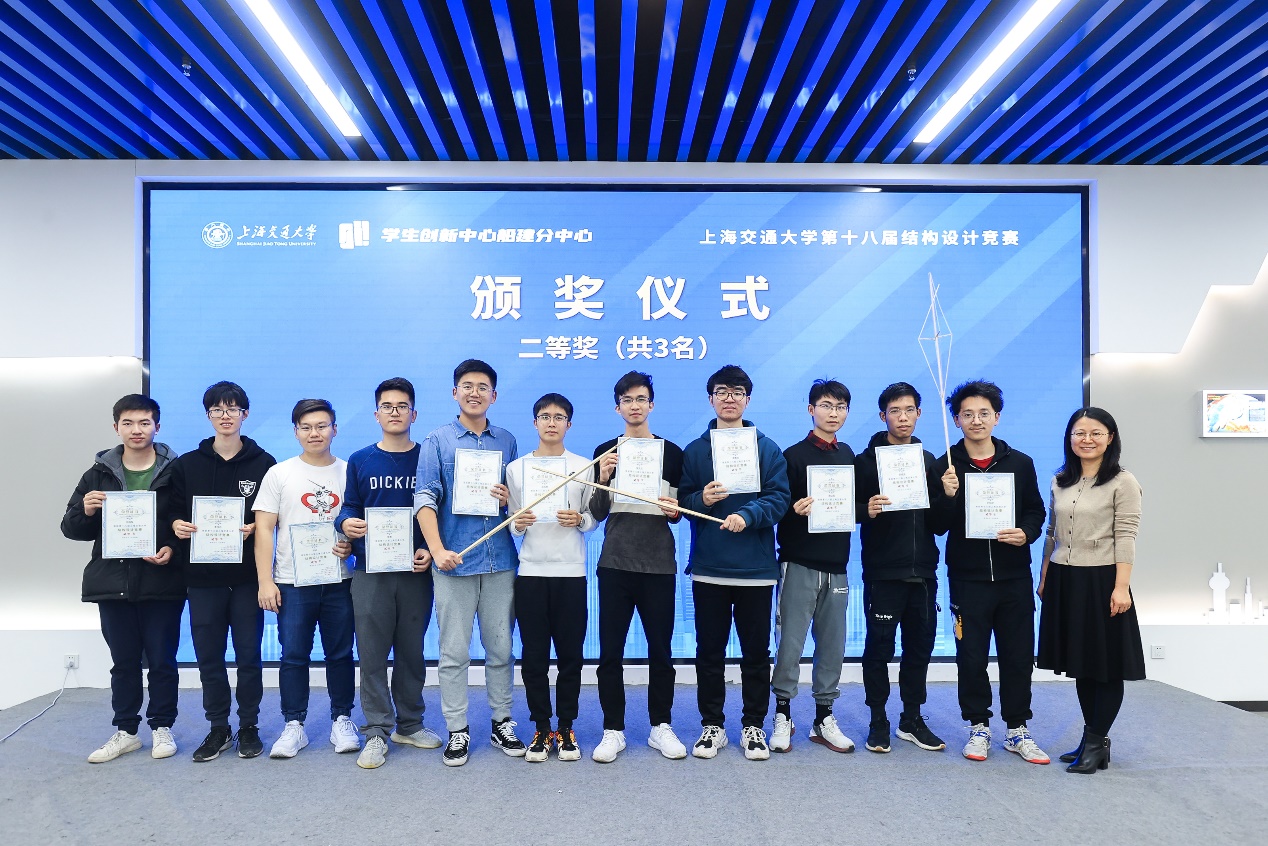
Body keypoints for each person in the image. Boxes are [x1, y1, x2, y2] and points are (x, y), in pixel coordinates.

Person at [61, 395, 183, 763]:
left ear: (157, 426)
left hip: (162, 581)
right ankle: (126, 731)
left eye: (144, 422)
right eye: (128, 423)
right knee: (124, 662)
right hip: (113, 583)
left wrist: (173, 548)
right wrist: (84, 510)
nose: (136, 430)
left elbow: (188, 523)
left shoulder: (177, 471)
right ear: (116, 427)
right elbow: (71, 528)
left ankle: (162, 727)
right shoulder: (97, 473)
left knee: (162, 660)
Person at [414, 359, 525, 767]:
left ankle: (502, 722)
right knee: (453, 652)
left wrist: (509, 500)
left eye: (482, 387)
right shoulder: (437, 440)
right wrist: (437, 549)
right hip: (453, 562)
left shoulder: (507, 441)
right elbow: (424, 498)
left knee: (501, 649)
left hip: (500, 562)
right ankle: (457, 729)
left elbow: (517, 503)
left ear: (493, 395)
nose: (474, 392)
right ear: (454, 392)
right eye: (466, 385)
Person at [933, 380, 1049, 764]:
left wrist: (1026, 533)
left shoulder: (1020, 463)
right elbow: (937, 525)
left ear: (997, 417)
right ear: (956, 419)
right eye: (967, 414)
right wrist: (948, 495)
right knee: (971, 656)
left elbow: (1035, 510)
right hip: (967, 578)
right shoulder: (945, 465)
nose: (976, 420)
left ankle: (1017, 729)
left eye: (984, 413)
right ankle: (978, 726)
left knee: (1018, 655)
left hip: (1014, 576)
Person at [679, 364, 790, 761]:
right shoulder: (696, 450)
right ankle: (712, 726)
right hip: (709, 568)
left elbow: (780, 498)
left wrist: (748, 515)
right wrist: (702, 500)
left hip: (756, 571)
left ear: (748, 399)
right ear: (711, 399)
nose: (729, 398)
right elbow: (682, 502)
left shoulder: (766, 448)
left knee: (755, 654)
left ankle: (753, 725)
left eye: (737, 392)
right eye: (722, 391)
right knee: (709, 652)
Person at [168, 381, 275, 762]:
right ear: (208, 415)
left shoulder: (264, 464)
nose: (225, 416)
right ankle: (218, 727)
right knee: (209, 657)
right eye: (217, 409)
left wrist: (258, 526)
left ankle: (248, 726)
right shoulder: (187, 465)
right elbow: (171, 511)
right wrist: (177, 524)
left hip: (247, 579)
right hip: (203, 580)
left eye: (232, 409)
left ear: (245, 414)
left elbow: (274, 517)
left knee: (249, 657)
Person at [335, 378, 438, 770]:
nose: (395, 412)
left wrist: (429, 549)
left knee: (412, 653)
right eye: (387, 406)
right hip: (371, 572)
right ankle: (377, 730)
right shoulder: (361, 460)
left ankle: (409, 725)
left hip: (415, 571)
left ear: (414, 413)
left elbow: (440, 511)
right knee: (372, 654)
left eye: (402, 406)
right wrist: (345, 524)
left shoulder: (428, 458)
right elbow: (349, 507)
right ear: (376, 413)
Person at [1037, 407, 1145, 774]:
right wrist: (1044, 576)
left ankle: (1098, 742)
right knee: (1081, 665)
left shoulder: (1123, 482)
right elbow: (1051, 533)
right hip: (1065, 578)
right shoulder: (1060, 480)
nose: (1087, 439)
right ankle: (1091, 739)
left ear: (1110, 438)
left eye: (1096, 433)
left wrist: (1121, 587)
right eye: (1079, 433)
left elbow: (1126, 536)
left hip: (1102, 580)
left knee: (1106, 666)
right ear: (1069, 438)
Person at [589, 371, 687, 763]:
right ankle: (613, 729)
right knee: (610, 652)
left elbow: (678, 513)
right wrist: (603, 476)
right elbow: (597, 512)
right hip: (615, 563)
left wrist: (674, 510)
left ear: (651, 404)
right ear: (617, 408)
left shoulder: (672, 453)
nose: (634, 405)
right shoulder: (605, 450)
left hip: (659, 565)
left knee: (661, 652)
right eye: (627, 400)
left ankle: (660, 726)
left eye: (641, 398)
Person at [854, 382, 956, 754]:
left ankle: (911, 719)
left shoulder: (929, 462)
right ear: (883, 416)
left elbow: (939, 525)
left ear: (919, 414)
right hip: (883, 572)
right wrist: (866, 509)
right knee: (878, 649)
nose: (903, 417)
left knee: (919, 649)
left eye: (909, 410)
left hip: (923, 572)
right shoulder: (865, 462)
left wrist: (948, 496)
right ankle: (878, 720)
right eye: (895, 411)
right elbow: (846, 509)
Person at [253, 398, 357, 759]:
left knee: (341, 654)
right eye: (307, 427)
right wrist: (265, 581)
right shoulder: (279, 473)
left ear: (334, 429)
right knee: (293, 655)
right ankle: (294, 725)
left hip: (340, 579)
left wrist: (351, 546)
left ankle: (342, 719)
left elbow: (360, 524)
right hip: (292, 582)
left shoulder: (350, 472)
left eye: (322, 426)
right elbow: (264, 529)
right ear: (296, 432)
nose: (315, 433)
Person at [506, 393, 595, 763]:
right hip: (531, 572)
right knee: (534, 658)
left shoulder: (584, 466)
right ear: (535, 423)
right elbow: (512, 520)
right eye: (545, 416)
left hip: (571, 572)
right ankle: (542, 728)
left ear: (569, 424)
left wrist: (580, 520)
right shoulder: (517, 469)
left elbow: (592, 516)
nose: (552, 422)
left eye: (559, 417)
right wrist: (518, 523)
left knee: (571, 656)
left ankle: (567, 726)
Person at [769, 379, 857, 754]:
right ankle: (783, 714)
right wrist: (793, 510)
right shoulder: (792, 455)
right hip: (798, 563)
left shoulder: (849, 455)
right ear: (811, 410)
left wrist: (868, 509)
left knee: (832, 646)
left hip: (837, 565)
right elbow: (776, 507)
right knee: (790, 644)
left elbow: (853, 507)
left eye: (840, 407)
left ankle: (823, 718)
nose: (833, 413)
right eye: (826, 405)